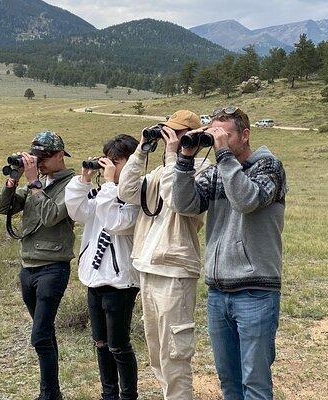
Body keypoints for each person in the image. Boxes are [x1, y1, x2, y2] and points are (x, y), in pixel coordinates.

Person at [171, 106, 288, 400]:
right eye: (214, 133)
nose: (218, 139)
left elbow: (246, 200)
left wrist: (223, 157)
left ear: (245, 135)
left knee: (255, 382)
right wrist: (185, 160)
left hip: (256, 290)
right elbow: (185, 204)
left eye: (225, 134)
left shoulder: (269, 166)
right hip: (218, 292)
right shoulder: (217, 170)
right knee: (229, 381)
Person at [118, 110, 210, 400]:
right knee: (156, 351)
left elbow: (178, 201)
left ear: (193, 137)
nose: (171, 138)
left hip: (175, 270)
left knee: (175, 354)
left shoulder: (201, 171)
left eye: (178, 134)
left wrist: (174, 156)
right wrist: (140, 150)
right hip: (148, 268)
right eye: (167, 132)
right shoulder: (160, 171)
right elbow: (127, 190)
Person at [0, 131, 75, 400]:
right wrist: (13, 179)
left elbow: (53, 216)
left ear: (60, 155)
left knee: (39, 335)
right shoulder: (36, 182)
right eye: (35, 157)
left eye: (44, 157)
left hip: (53, 266)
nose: (38, 163)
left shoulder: (72, 184)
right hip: (28, 265)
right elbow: (3, 208)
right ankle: (52, 393)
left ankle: (48, 395)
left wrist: (32, 183)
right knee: (45, 334)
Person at [65, 134, 140, 400]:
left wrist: (109, 185)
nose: (109, 166)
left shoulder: (137, 195)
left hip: (120, 280)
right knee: (100, 343)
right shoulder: (102, 193)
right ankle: (109, 394)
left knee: (118, 345)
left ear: (131, 163)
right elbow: (78, 212)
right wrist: (83, 180)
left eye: (116, 162)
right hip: (95, 277)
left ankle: (128, 395)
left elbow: (115, 222)